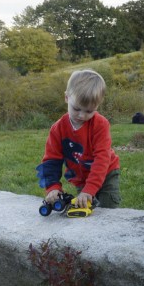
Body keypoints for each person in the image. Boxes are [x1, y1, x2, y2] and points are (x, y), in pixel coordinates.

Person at [37, 69, 121, 210]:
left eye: (89, 111)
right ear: (66, 98)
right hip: (80, 178)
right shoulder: (58, 129)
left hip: (106, 174)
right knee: (83, 211)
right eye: (76, 109)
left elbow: (102, 158)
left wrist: (90, 189)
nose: (81, 115)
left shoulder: (100, 124)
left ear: (97, 105)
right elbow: (51, 160)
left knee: (107, 209)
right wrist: (52, 186)